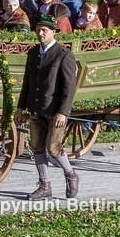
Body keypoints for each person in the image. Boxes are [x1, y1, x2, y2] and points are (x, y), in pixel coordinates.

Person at [17, 15, 79, 200]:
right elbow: (27, 83)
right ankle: (45, 186)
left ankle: (71, 174)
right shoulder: (33, 53)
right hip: (36, 107)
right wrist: (20, 107)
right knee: (36, 147)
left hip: (55, 111)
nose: (40, 33)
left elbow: (69, 87)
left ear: (54, 32)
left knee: (53, 148)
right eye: (38, 30)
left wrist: (63, 112)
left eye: (44, 30)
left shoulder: (63, 55)